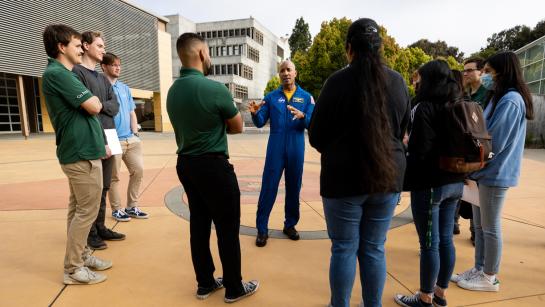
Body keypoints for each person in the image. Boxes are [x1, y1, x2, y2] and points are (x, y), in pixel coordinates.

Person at [309, 18, 410, 307]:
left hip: (343, 179)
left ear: (349, 48)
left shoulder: (336, 82)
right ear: (380, 48)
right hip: (387, 177)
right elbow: (402, 129)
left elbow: (316, 136)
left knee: (343, 248)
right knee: (374, 248)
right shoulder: (398, 82)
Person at [167, 32, 259, 303]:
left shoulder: (173, 92)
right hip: (214, 167)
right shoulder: (215, 89)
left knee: (199, 225)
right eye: (209, 52)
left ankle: (205, 282)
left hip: (186, 164)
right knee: (227, 228)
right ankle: (234, 287)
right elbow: (238, 127)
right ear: (201, 54)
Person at [453, 51, 533, 292]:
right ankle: (480, 267)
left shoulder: (510, 100)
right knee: (479, 227)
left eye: (488, 71)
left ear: (502, 71)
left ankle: (489, 276)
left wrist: (473, 164)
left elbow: (493, 141)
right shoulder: (500, 98)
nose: (484, 76)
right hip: (485, 172)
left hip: (494, 173)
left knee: (490, 226)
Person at [41, 24, 112, 285]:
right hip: (80, 153)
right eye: (75, 44)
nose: (81, 47)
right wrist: (95, 101)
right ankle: (73, 269)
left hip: (82, 150)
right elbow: (94, 106)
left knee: (78, 209)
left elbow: (92, 107)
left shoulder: (63, 73)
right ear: (61, 47)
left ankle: (81, 255)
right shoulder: (58, 74)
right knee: (87, 211)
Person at [394, 60, 466, 307]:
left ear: (428, 80)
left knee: (428, 244)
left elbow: (419, 148)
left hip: (430, 183)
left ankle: (424, 298)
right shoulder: (455, 104)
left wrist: (405, 143)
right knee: (446, 240)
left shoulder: (423, 107)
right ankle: (440, 293)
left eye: (419, 77)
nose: (416, 81)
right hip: (456, 181)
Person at [248, 60, 315, 247]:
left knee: (294, 187)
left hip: (296, 148)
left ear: (296, 73)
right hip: (275, 148)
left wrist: (304, 117)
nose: (285, 73)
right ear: (279, 74)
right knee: (268, 187)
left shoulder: (307, 97)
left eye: (289, 70)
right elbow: (261, 122)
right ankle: (262, 229)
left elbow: (313, 122)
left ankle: (290, 225)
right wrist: (255, 113)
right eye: (282, 70)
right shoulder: (270, 97)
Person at [73, 31, 125, 250]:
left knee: (104, 185)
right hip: (96, 137)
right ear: (86, 46)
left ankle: (101, 226)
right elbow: (87, 109)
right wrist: (99, 106)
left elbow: (114, 106)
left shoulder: (102, 78)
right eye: (100, 46)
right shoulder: (77, 73)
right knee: (93, 189)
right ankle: (91, 233)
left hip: (111, 136)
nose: (104, 49)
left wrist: (99, 105)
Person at [101, 52, 148, 222]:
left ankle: (132, 206)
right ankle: (117, 209)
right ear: (104, 66)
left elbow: (131, 112)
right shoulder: (101, 86)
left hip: (131, 138)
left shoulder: (124, 88)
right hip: (113, 138)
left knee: (138, 171)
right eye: (114, 64)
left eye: (119, 65)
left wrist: (135, 134)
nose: (118, 67)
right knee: (114, 176)